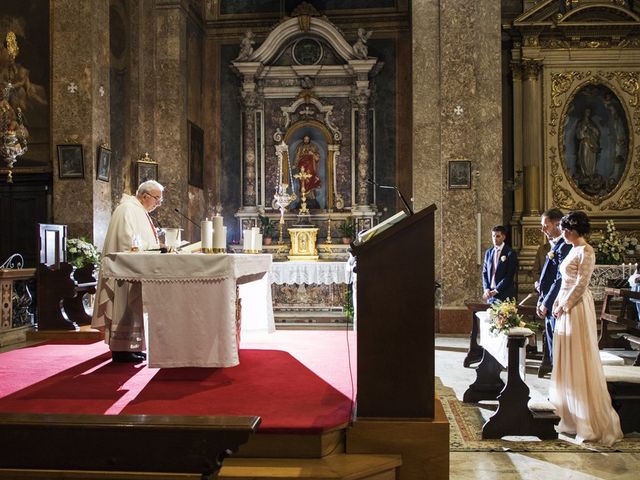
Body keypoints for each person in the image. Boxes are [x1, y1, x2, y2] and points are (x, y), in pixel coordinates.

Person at [550, 211, 622, 446]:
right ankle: (570, 415)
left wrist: (566, 305)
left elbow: (581, 283)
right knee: (566, 357)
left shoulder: (586, 251)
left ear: (574, 229)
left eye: (565, 229)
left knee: (579, 356)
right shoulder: (571, 249)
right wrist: (556, 303)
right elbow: (564, 282)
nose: (562, 233)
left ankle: (588, 423)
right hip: (565, 306)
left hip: (577, 307)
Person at [92, 180, 164, 363]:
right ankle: (120, 349)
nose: (158, 203)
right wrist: (155, 247)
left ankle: (131, 346)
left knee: (133, 308)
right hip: (124, 270)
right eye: (157, 199)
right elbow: (128, 241)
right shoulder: (127, 209)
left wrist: (156, 247)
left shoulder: (137, 210)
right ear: (145, 195)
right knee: (124, 305)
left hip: (134, 268)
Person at [536, 208, 573, 376]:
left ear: (558, 224)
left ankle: (560, 379)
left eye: (546, 226)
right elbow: (546, 277)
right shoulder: (555, 246)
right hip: (548, 302)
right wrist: (541, 300)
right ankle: (556, 379)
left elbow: (559, 279)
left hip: (556, 303)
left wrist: (546, 302)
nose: (543, 230)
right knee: (552, 345)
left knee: (557, 346)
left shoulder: (564, 246)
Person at [482, 225, 518, 304]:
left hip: (504, 294)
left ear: (503, 237)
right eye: (493, 236)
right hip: (491, 296)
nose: (495, 238)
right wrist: (486, 289)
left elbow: (509, 275)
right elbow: (484, 272)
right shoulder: (489, 252)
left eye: (498, 236)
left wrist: (496, 290)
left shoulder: (510, 253)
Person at [576, 108, 600, 178]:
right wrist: (584, 128)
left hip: (592, 144)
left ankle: (591, 174)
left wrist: (592, 128)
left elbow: (597, 133)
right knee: (584, 158)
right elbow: (579, 135)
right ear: (584, 113)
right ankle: (585, 174)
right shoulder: (581, 123)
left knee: (592, 159)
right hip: (585, 143)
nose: (588, 113)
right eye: (586, 112)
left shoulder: (591, 123)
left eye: (589, 112)